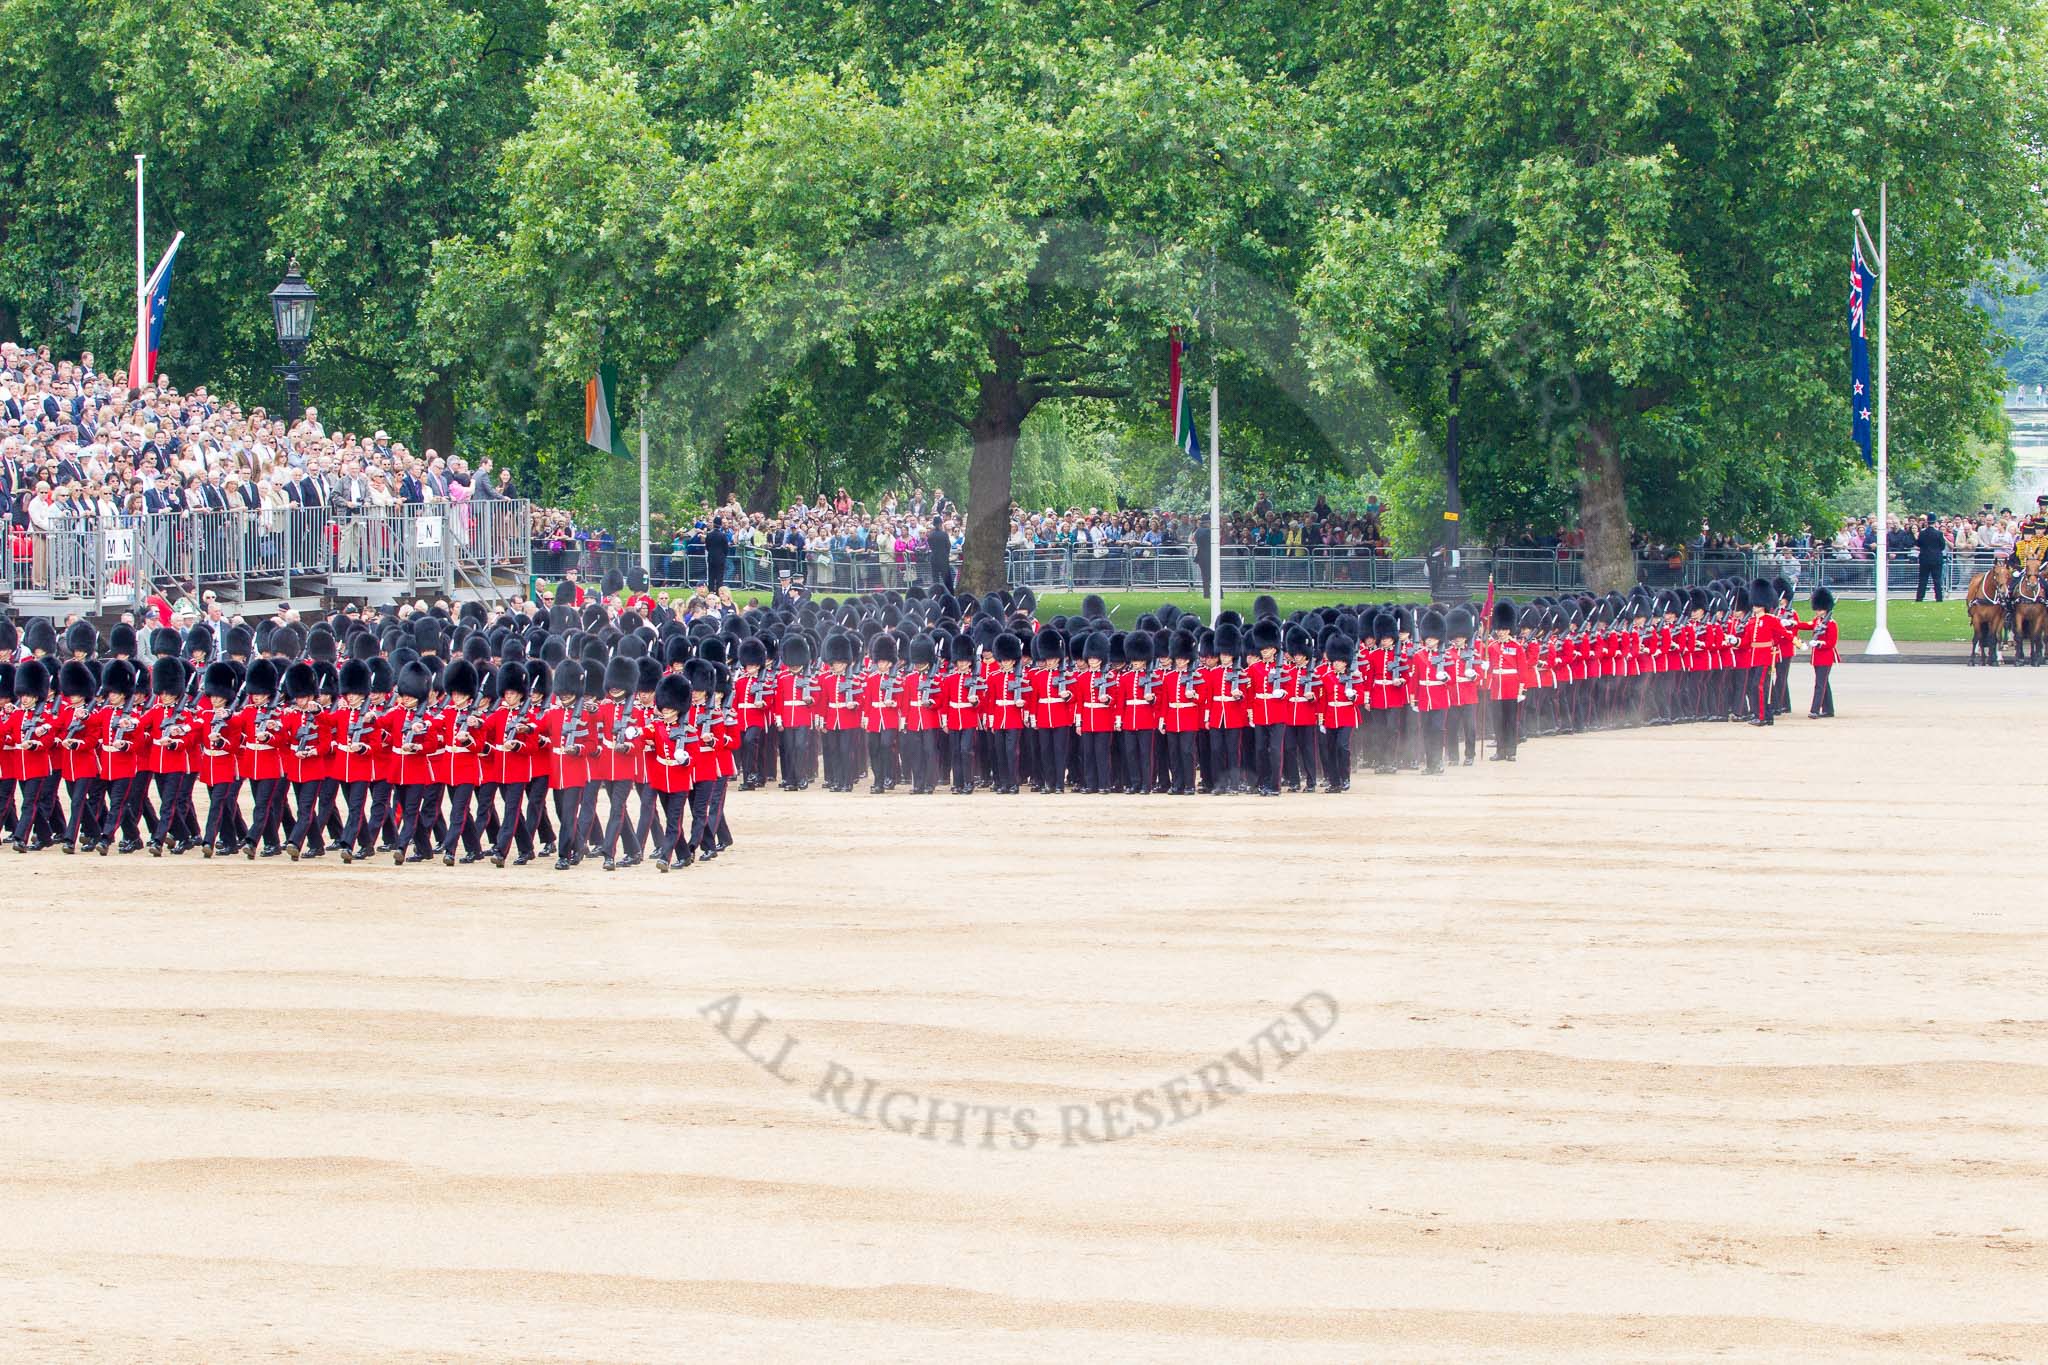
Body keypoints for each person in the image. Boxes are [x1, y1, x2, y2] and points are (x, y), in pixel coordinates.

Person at [1914, 515, 1946, 601]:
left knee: (1923, 579)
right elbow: (1942, 546)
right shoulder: (1939, 533)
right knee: (1937, 580)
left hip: (1924, 559)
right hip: (1936, 559)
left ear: (1927, 522)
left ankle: (1919, 597)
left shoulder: (1922, 533)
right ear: (1935, 522)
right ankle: (1939, 597)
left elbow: (1918, 544)